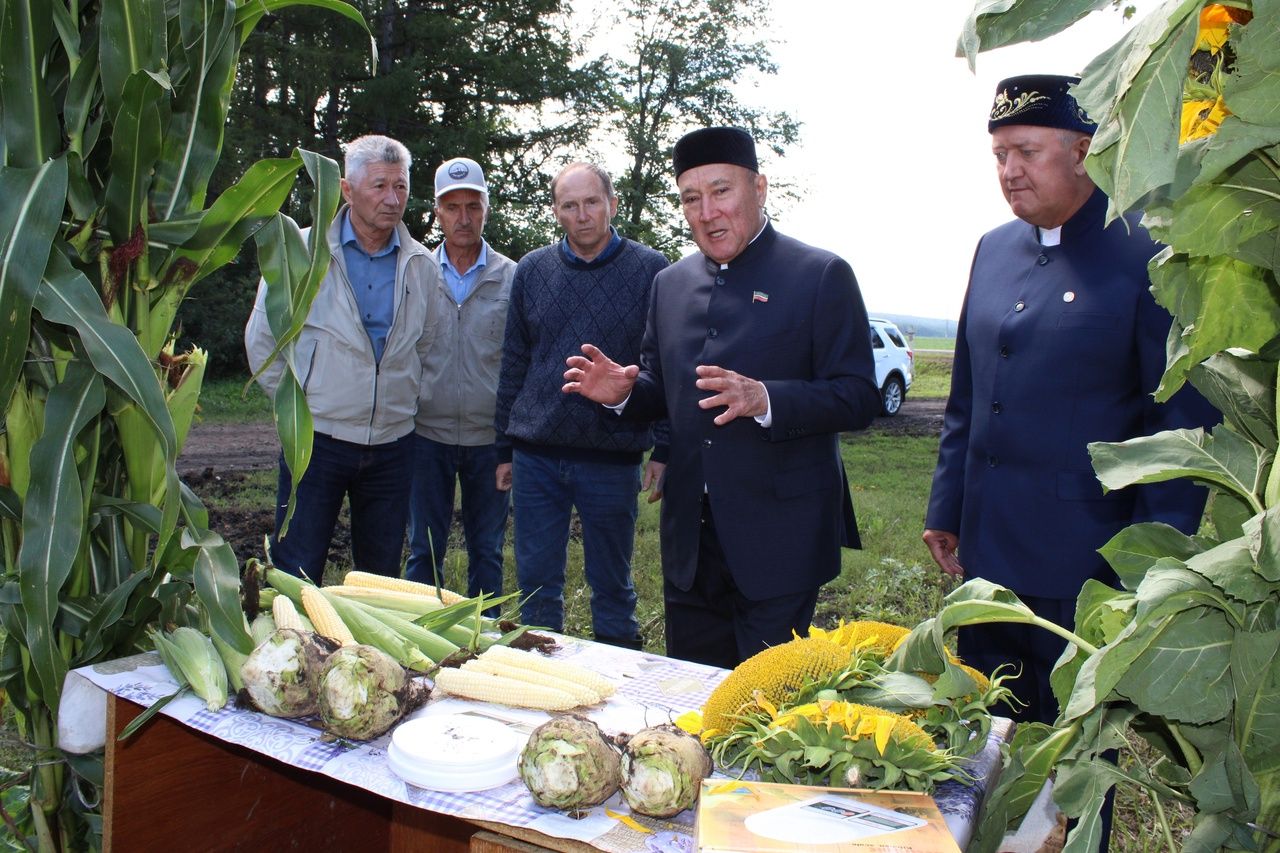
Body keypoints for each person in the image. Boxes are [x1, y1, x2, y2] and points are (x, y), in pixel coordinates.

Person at [922, 75, 1219, 725]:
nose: (1009, 171)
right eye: (999, 155)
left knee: (1068, 767)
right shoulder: (993, 249)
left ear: (1084, 148)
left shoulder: (1152, 250)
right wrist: (948, 506)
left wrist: (1149, 569)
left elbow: (1178, 422)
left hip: (1086, 567)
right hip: (986, 562)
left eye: (1027, 151)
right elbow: (967, 395)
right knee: (983, 741)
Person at [562, 127, 881, 668]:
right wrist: (621, 396)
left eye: (721, 191)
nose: (707, 212)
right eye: (691, 198)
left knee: (763, 709)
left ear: (759, 188)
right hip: (691, 540)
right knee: (693, 692)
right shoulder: (670, 284)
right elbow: (663, 393)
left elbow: (857, 397)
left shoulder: (820, 274)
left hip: (779, 538)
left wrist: (766, 399)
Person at [245, 134, 438, 584]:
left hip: (393, 446)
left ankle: (367, 657)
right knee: (296, 570)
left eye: (401, 187)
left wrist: (397, 399)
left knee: (379, 580)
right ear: (347, 191)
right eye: (379, 186)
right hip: (317, 442)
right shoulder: (300, 255)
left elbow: (426, 345)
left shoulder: (421, 266)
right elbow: (263, 343)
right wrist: (304, 404)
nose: (393, 200)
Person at [493, 162, 669, 649]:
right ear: (556, 211)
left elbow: (664, 367)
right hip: (537, 455)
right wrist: (502, 448)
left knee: (613, 586)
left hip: (612, 457)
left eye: (592, 202)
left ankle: (619, 679)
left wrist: (665, 448)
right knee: (536, 586)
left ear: (612, 204)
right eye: (569, 205)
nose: (583, 214)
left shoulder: (651, 271)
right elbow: (514, 362)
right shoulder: (532, 271)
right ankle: (540, 678)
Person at [406, 157, 516, 600]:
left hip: (488, 439)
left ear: (487, 209)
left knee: (486, 550)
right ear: (437, 213)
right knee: (422, 550)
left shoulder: (512, 276)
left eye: (473, 205)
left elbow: (518, 361)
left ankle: (484, 641)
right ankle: (417, 638)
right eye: (452, 208)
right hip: (424, 435)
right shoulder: (415, 272)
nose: (463, 218)